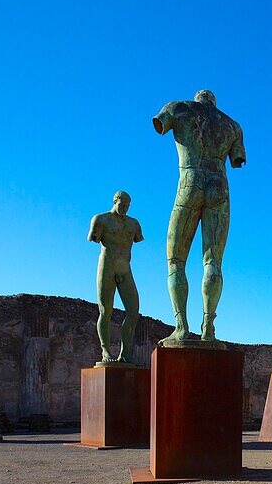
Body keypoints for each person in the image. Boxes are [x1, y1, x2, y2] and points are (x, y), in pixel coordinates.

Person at [153, 90, 246, 344]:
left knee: (175, 260)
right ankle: (209, 328)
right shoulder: (232, 125)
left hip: (189, 183)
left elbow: (159, 124)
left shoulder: (178, 107)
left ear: (198, 98)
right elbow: (237, 159)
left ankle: (181, 326)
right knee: (213, 262)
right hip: (219, 186)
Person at [88, 190, 143, 363]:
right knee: (106, 311)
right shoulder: (101, 219)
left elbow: (137, 240)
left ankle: (125, 354)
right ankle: (105, 351)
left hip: (125, 268)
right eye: (122, 204)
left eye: (128, 205)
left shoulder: (134, 224)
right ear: (114, 201)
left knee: (133, 311)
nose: (125, 208)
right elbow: (94, 238)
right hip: (107, 267)